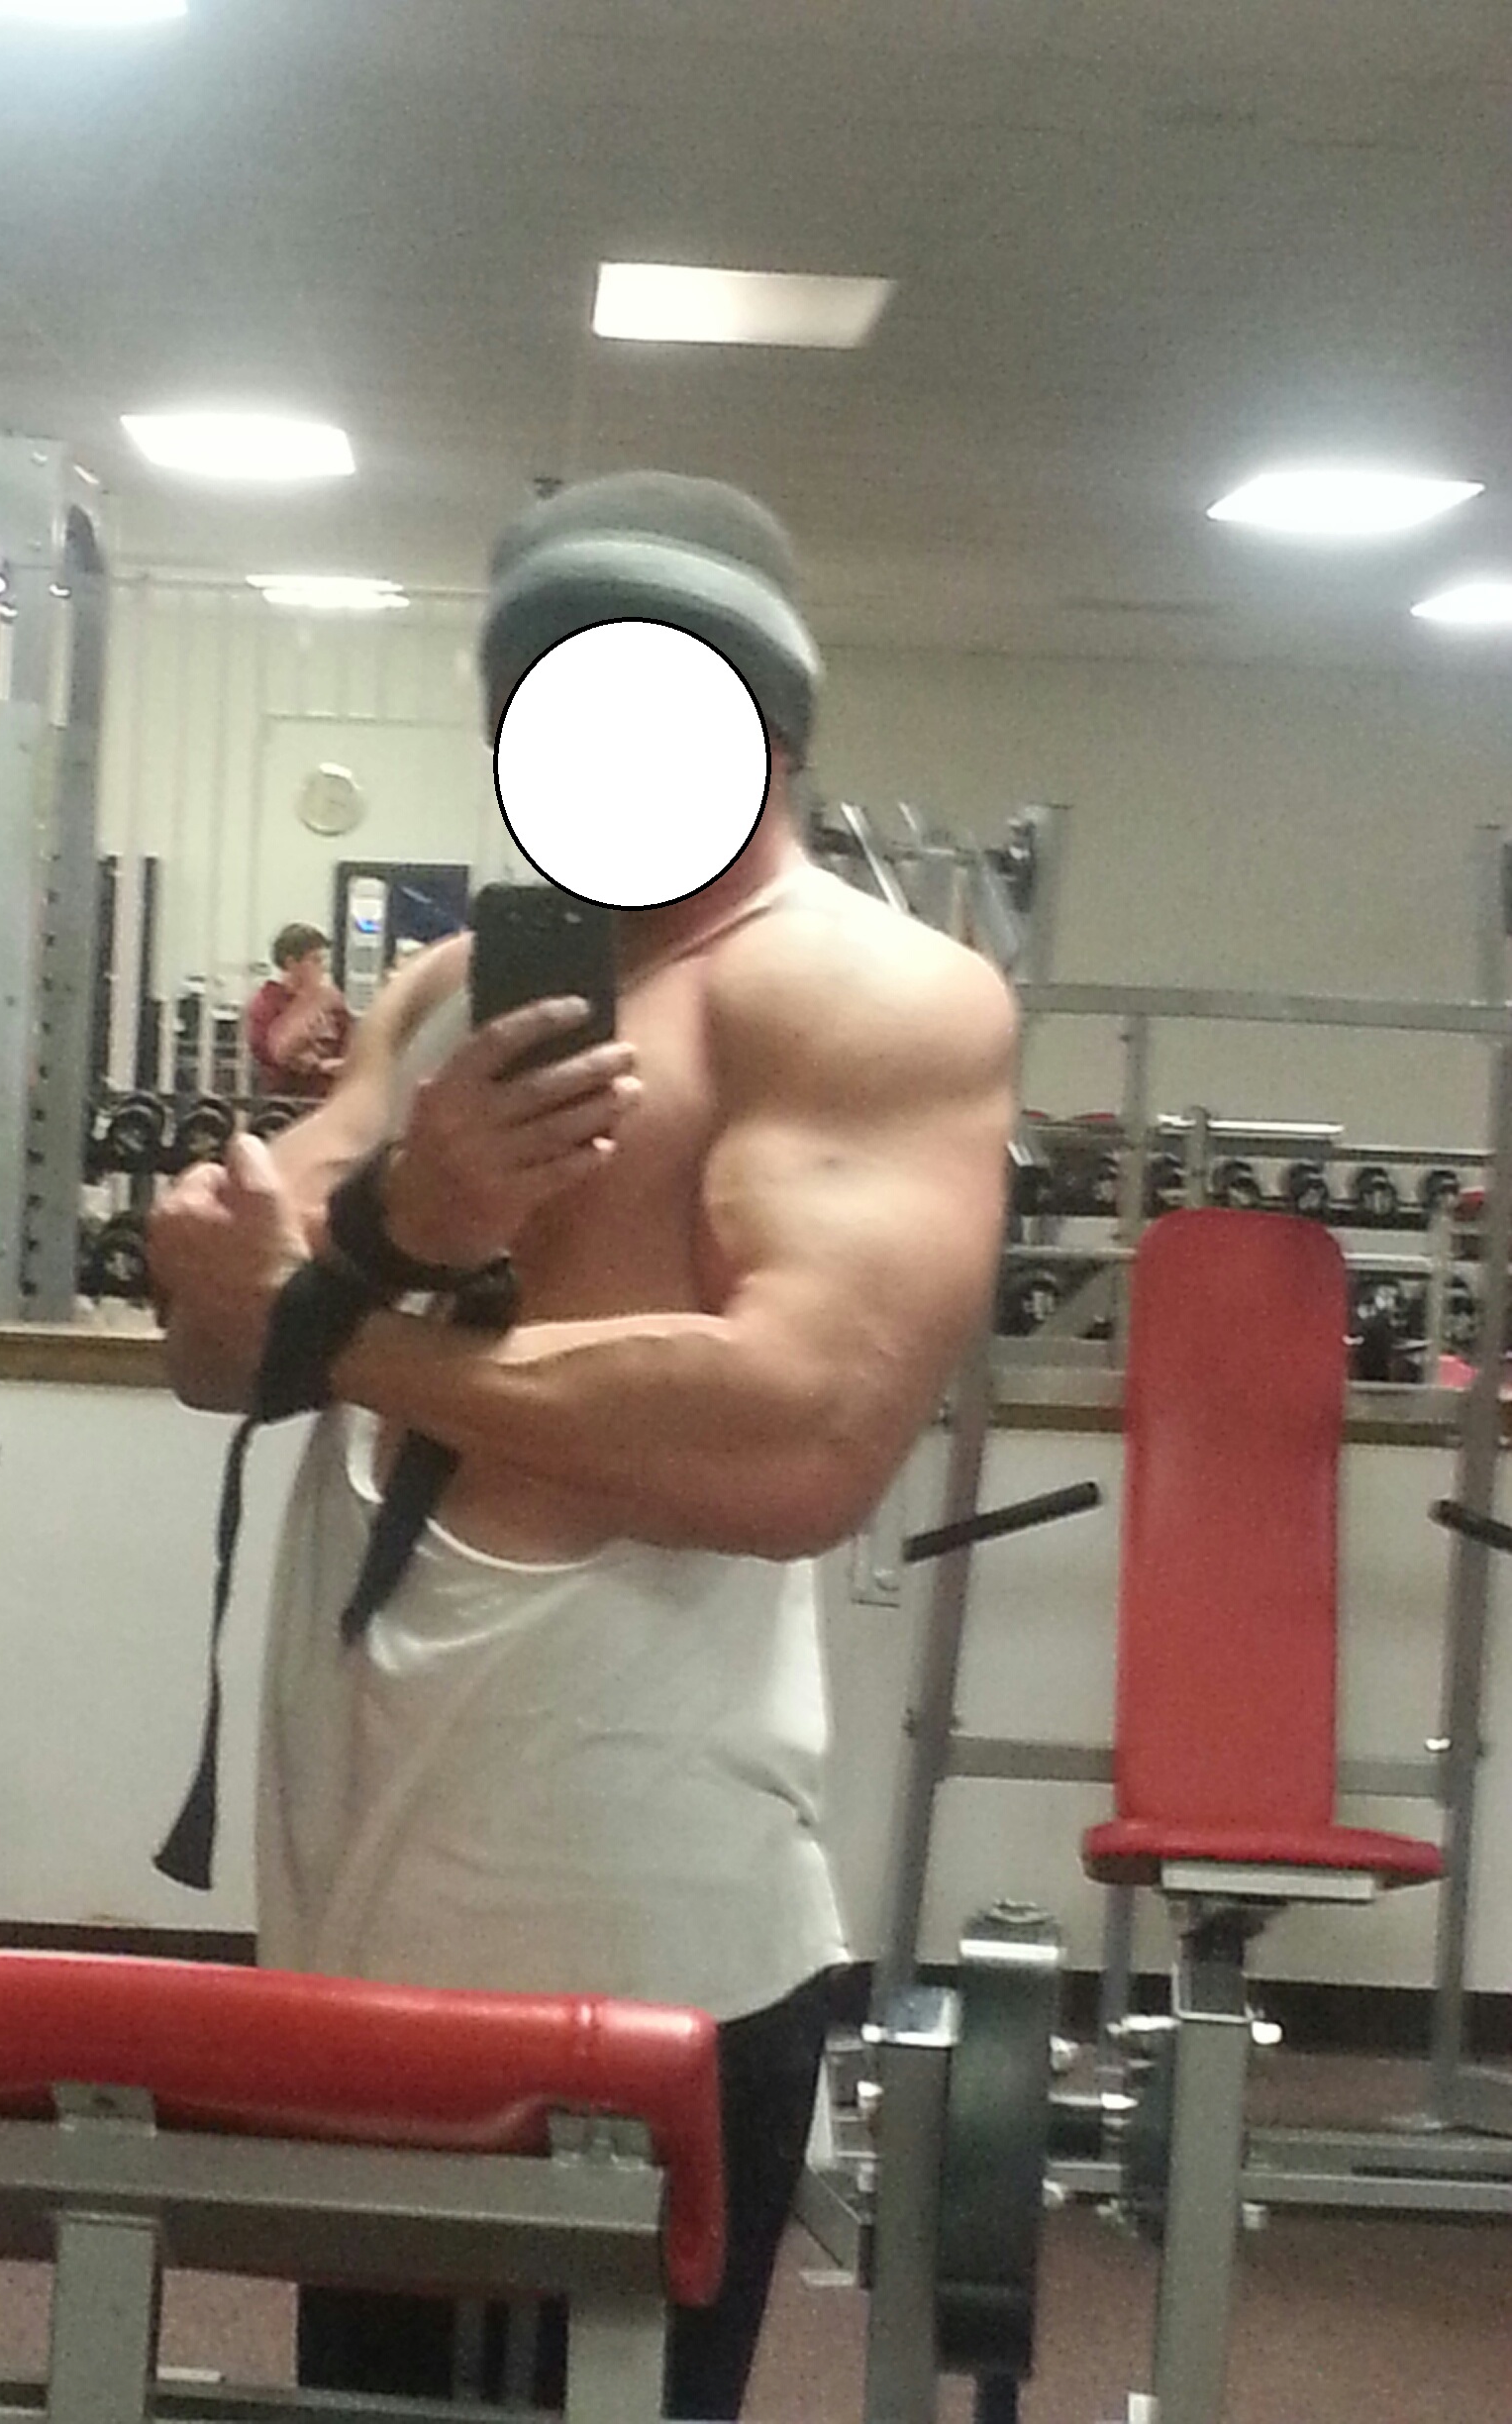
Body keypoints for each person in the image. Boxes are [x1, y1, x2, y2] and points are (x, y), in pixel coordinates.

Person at [147, 471, 1017, 2419]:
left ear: (765, 732)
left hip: (627, 1906)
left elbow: (799, 1435)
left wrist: (356, 1322)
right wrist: (373, 1230)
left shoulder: (868, 996)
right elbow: (219, 1342)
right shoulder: (452, 987)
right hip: (365, 1874)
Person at [244, 923, 353, 1098]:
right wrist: (312, 1003)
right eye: (315, 960)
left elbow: (349, 1043)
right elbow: (276, 1054)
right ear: (291, 964)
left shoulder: (331, 1002)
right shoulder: (266, 1003)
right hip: (281, 1100)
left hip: (327, 1099)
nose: (323, 967)